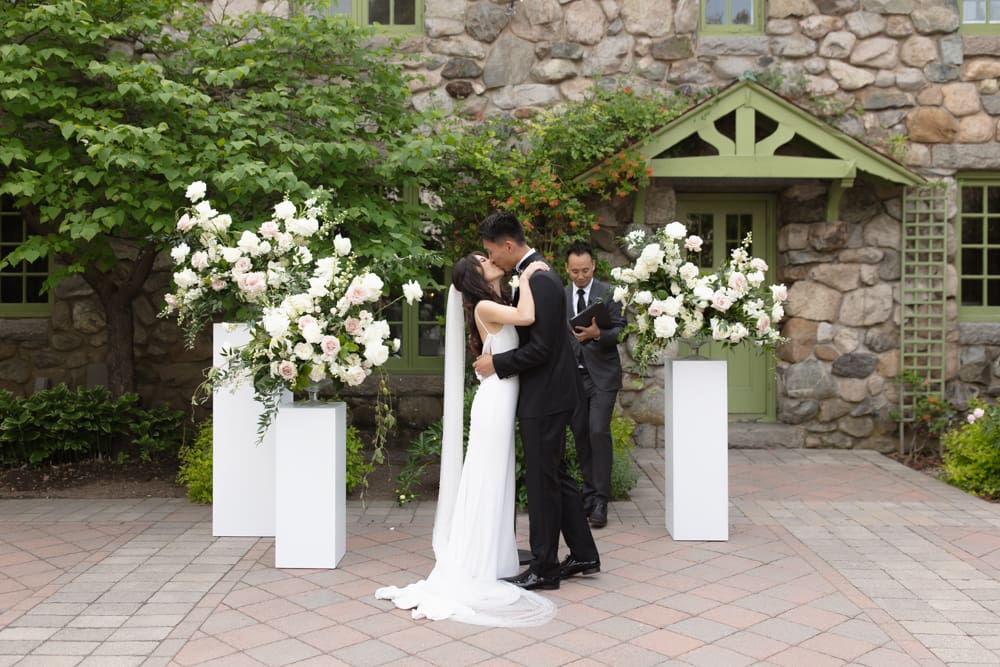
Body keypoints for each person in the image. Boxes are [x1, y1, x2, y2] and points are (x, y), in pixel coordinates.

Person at [374, 252, 557, 626]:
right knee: (486, 476)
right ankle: (477, 557)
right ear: (475, 277)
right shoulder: (485, 306)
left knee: (495, 475)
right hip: (495, 401)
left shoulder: (494, 301)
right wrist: (530, 274)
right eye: (483, 261)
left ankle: (491, 553)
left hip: (503, 395)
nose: (491, 260)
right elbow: (527, 318)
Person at [473, 210, 600, 591]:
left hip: (545, 395)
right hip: (550, 392)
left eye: (492, 252)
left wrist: (496, 363)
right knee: (556, 476)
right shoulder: (534, 276)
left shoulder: (540, 280)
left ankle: (543, 567)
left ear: (508, 245)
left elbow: (542, 348)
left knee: (543, 482)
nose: (492, 259)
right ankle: (584, 554)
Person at [565, 242, 625, 529]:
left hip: (602, 376)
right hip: (572, 378)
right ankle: (588, 496)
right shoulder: (561, 295)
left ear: (594, 267)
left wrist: (598, 333)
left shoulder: (609, 293)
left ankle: (601, 499)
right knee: (580, 435)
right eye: (575, 271)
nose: (580, 276)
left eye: (585, 271)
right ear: (567, 269)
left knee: (598, 431)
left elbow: (621, 329)